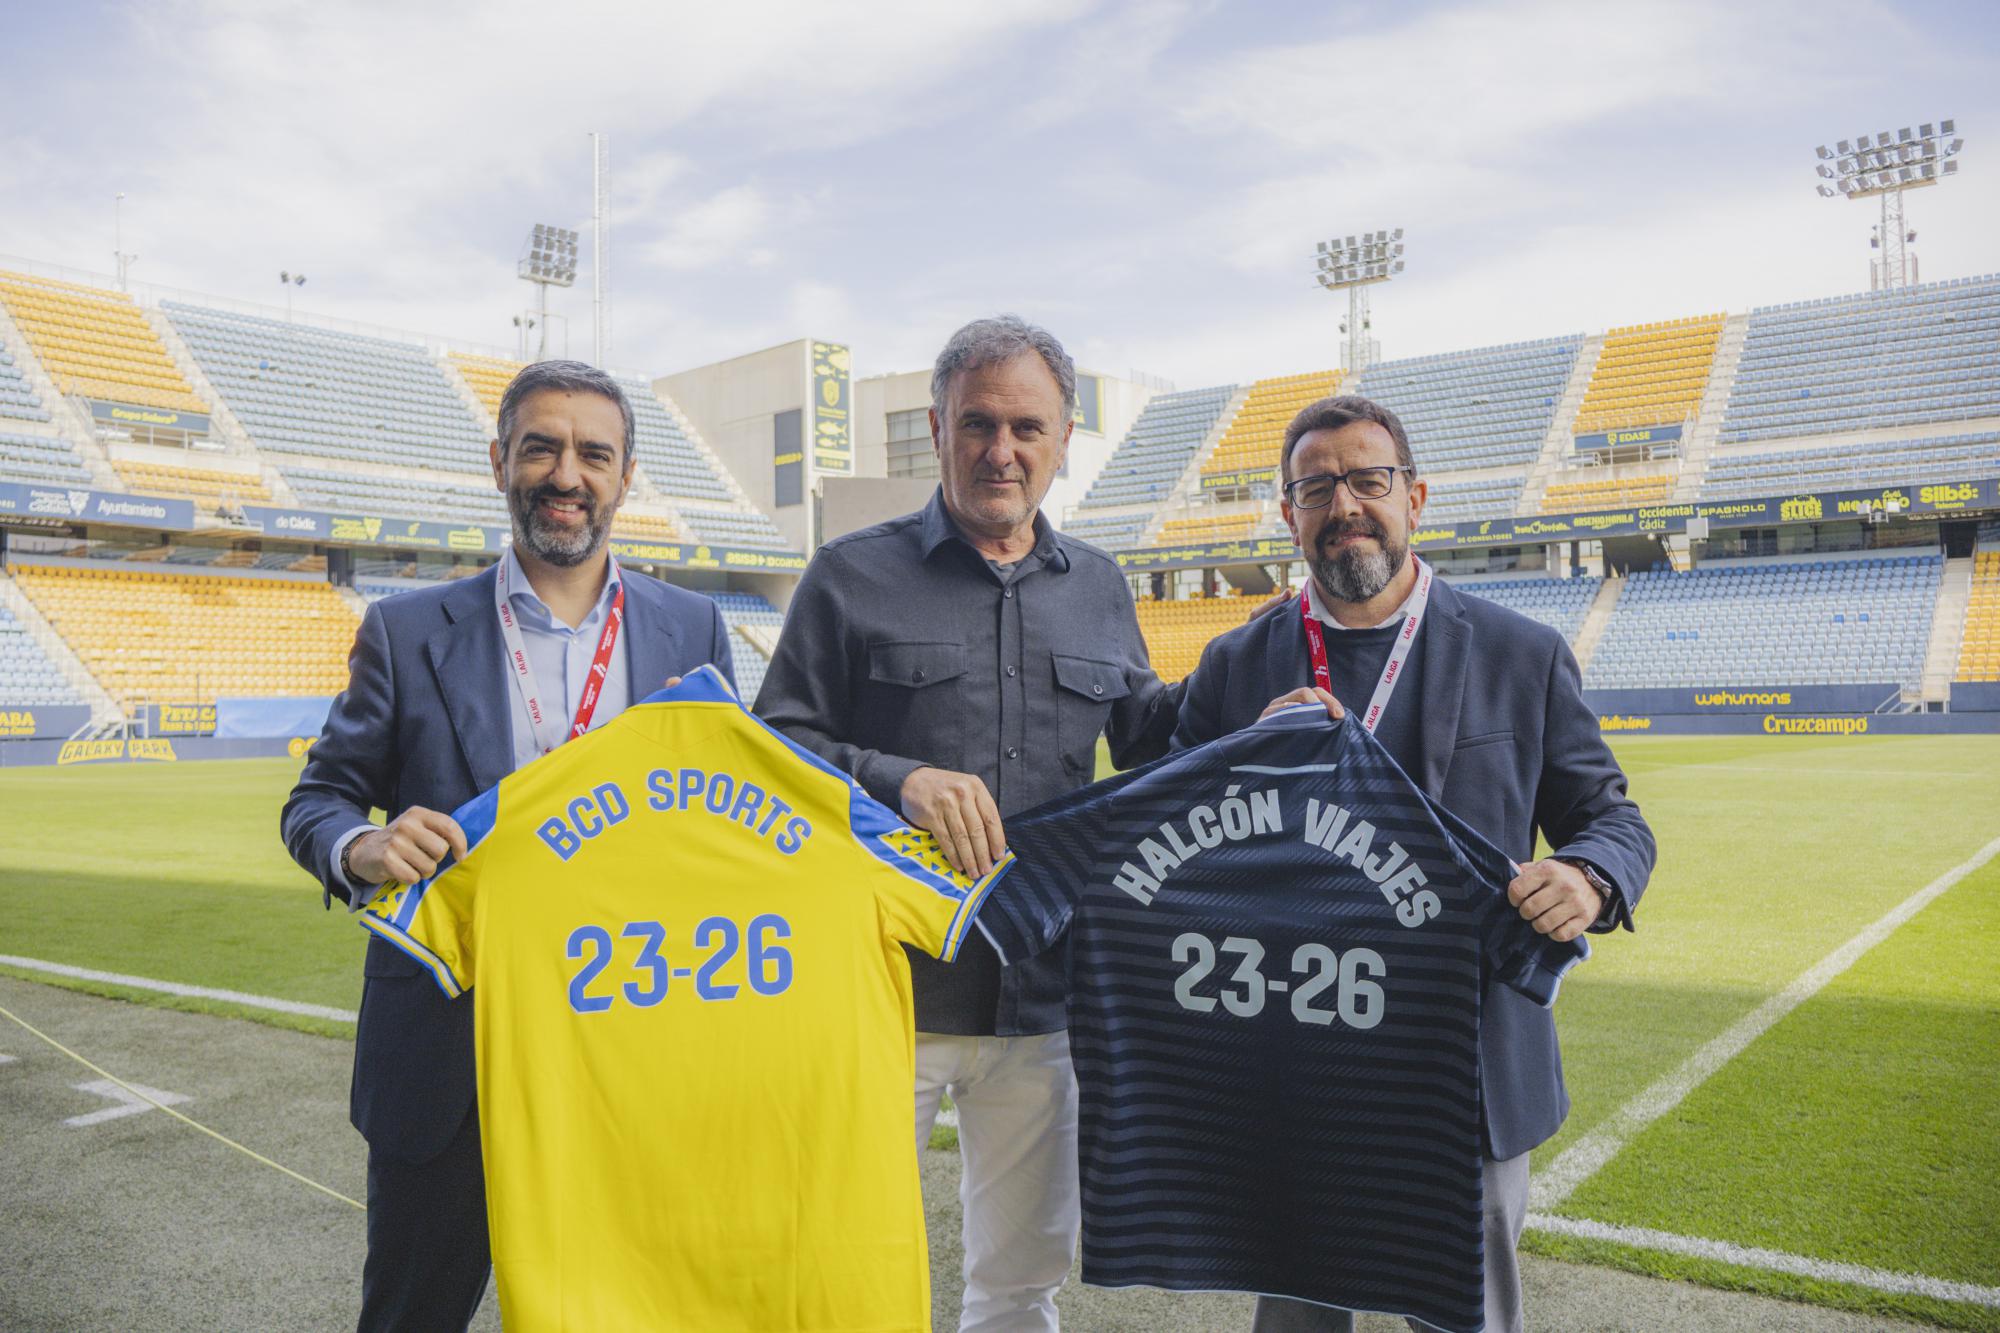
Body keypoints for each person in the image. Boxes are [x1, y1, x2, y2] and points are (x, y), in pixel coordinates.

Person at [1171, 395, 1656, 1333]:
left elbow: (1610, 817)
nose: (1344, 504)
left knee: (1464, 1317)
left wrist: (1589, 876)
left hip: (1464, 1071)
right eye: (1317, 488)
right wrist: (1235, 770)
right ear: (1289, 513)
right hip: (1294, 1064)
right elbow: (1173, 843)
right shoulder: (1235, 664)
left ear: (1415, 497)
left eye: (1368, 479)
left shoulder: (1521, 653)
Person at [280, 359, 736, 1332]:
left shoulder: (691, 627)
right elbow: (318, 799)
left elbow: (728, 823)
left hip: (635, 1047)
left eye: (593, 454)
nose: (567, 474)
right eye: (541, 448)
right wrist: (362, 846)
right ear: (499, 462)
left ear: (625, 477)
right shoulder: (404, 631)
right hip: (451, 1052)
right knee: (412, 1314)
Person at [755, 315, 1180, 1331]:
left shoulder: (1101, 587)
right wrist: (894, 777)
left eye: (1027, 428)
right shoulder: (847, 575)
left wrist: (1265, 696)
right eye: (978, 424)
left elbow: (1151, 740)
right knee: (844, 1268)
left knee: (1021, 1284)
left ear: (1063, 439)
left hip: (1043, 998)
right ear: (938, 428)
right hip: (881, 994)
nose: (1002, 451)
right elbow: (770, 749)